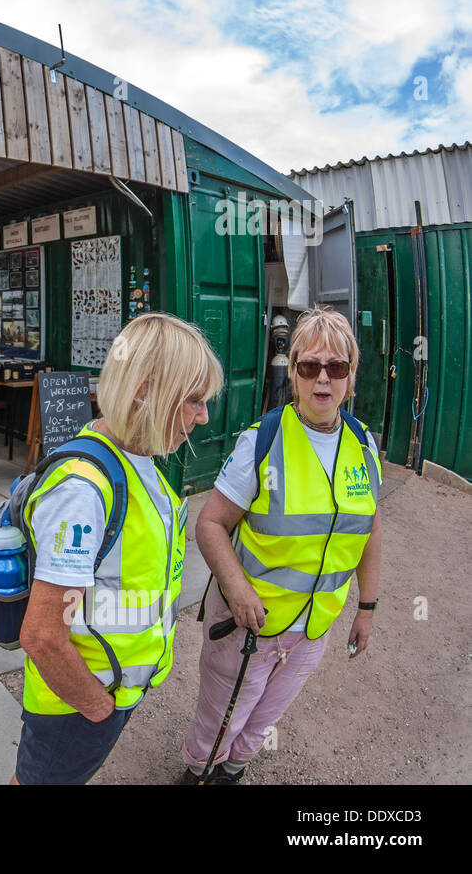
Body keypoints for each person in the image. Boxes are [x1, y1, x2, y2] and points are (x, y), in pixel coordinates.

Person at [12, 312, 224, 784]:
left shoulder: (136, 456)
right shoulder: (83, 492)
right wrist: (97, 707)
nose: (204, 415)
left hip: (109, 687)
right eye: (193, 400)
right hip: (76, 701)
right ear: (147, 391)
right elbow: (43, 636)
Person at [181, 306, 383, 783]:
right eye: (309, 366)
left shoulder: (364, 445)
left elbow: (370, 530)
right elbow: (210, 525)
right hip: (250, 624)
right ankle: (197, 774)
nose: (322, 380)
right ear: (292, 371)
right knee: (221, 720)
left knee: (264, 717)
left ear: (351, 375)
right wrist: (237, 592)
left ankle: (232, 772)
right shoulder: (263, 442)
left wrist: (367, 607)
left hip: (314, 625)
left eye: (336, 367)